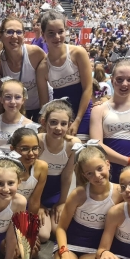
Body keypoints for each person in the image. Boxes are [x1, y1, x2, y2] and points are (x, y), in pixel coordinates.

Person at [54, 143, 121, 259]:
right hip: (70, 244)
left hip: (95, 248)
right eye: (89, 173)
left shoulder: (120, 192)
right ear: (84, 175)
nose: (96, 176)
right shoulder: (79, 194)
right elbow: (61, 228)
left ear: (108, 164)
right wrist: (63, 253)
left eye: (99, 168)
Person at [90, 59, 130, 184]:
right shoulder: (99, 109)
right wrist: (127, 160)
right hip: (106, 169)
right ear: (112, 79)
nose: (124, 84)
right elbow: (97, 144)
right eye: (120, 79)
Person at [38, 11, 92, 139]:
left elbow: (88, 88)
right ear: (43, 35)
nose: (57, 37)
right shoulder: (42, 68)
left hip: (83, 111)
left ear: (66, 31)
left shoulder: (78, 53)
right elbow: (45, 105)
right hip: (60, 117)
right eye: (51, 33)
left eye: (60, 32)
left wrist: (78, 120)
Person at [37, 100, 78, 241]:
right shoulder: (37, 142)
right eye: (53, 122)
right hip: (37, 193)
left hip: (56, 193)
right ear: (44, 122)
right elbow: (29, 175)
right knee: (43, 235)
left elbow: (67, 176)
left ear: (70, 124)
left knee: (58, 230)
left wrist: (62, 202)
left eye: (63, 124)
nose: (58, 128)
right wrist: (37, 204)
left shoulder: (73, 144)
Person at [0, 17, 48, 121]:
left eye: (19, 32)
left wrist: (44, 114)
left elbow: (47, 84)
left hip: (40, 106)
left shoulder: (35, 53)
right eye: (9, 32)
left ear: (24, 35)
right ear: (1, 36)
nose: (15, 36)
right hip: (15, 109)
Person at [6, 128, 48, 250]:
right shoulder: (6, 168)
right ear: (12, 149)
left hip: (23, 213)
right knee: (11, 250)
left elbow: (35, 201)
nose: (31, 153)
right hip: (5, 213)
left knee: (40, 240)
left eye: (35, 148)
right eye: (24, 149)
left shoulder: (42, 167)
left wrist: (29, 230)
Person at [0, 79, 33, 173]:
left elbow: (30, 157)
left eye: (17, 97)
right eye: (8, 97)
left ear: (23, 100)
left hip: (18, 173)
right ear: (1, 99)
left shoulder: (29, 125)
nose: (12, 101)